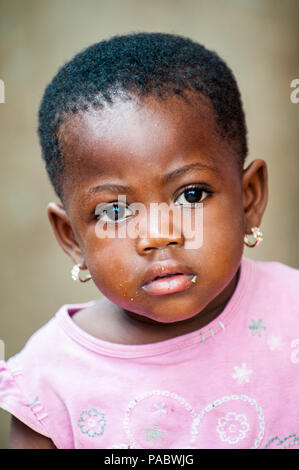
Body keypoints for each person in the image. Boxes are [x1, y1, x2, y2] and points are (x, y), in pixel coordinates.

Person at [0, 33, 298, 450]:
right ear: (72, 238)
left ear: (249, 198)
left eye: (191, 194)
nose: (159, 234)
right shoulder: (49, 381)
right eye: (115, 212)